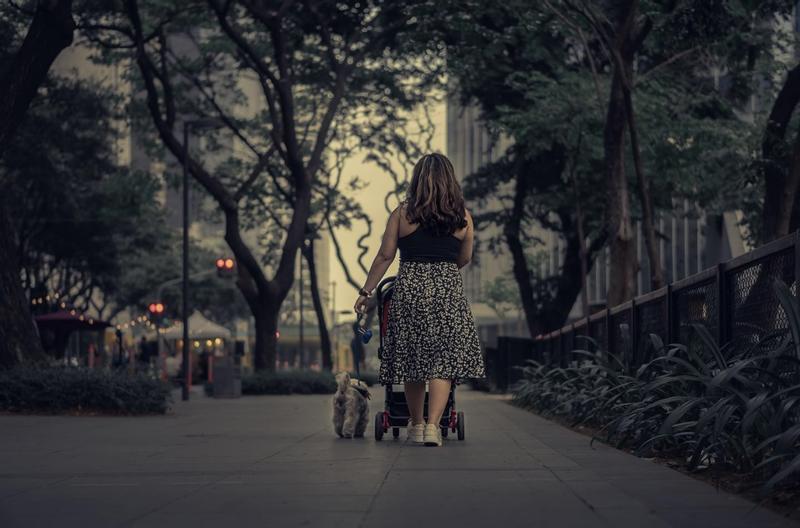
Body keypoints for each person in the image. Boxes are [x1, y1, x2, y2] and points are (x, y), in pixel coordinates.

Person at [354, 153, 485, 447]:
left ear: (417, 180)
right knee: (442, 363)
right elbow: (464, 258)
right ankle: (433, 428)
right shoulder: (463, 217)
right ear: (450, 181)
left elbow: (385, 256)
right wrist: (443, 269)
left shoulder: (402, 214)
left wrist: (366, 292)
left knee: (413, 362)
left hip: (410, 289)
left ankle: (416, 424)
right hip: (447, 292)